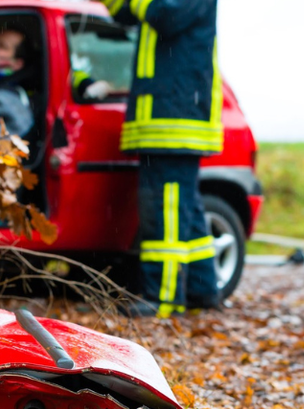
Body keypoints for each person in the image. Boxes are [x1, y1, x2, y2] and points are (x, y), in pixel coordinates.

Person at [99, 0, 223, 318]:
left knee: (164, 210)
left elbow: (163, 15)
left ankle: (162, 298)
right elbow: (126, 12)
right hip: (165, 119)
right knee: (185, 210)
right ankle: (202, 289)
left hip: (174, 120)